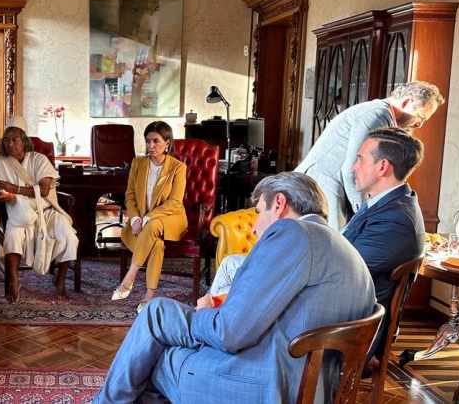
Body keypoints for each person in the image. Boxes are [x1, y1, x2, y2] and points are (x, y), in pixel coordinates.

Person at [93, 172, 376, 404]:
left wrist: (205, 311)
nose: (254, 228)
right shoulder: (343, 248)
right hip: (312, 386)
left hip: (271, 387)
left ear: (279, 204)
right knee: (158, 325)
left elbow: (230, 332)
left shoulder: (291, 232)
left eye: (258, 212)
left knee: (155, 346)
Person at [295, 81, 443, 230]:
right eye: (421, 117)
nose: (420, 125)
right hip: (324, 188)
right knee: (331, 249)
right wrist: (364, 212)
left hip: (327, 188)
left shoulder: (380, 113)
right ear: (405, 103)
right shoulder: (377, 114)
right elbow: (353, 170)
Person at [343, 127, 425, 361]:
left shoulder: (395, 218)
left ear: (382, 166)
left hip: (352, 328)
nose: (353, 167)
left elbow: (343, 271)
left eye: (360, 159)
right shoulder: (388, 203)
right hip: (347, 307)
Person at [0, 117, 79, 302]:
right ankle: (14, 281)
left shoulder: (39, 160)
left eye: (15, 140)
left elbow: (44, 190)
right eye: (7, 140)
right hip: (17, 213)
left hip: (46, 211)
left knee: (69, 236)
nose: (10, 144)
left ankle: (59, 281)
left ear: (24, 141)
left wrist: (14, 189)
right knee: (12, 237)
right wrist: (0, 195)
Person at [111, 121, 186, 312]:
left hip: (171, 217)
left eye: (156, 141)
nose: (150, 146)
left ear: (167, 143)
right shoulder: (138, 163)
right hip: (143, 221)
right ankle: (149, 294)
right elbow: (129, 195)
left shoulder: (178, 167)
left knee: (152, 225)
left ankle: (130, 277)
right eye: (147, 141)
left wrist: (148, 218)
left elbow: (175, 202)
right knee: (157, 244)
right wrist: (136, 218)